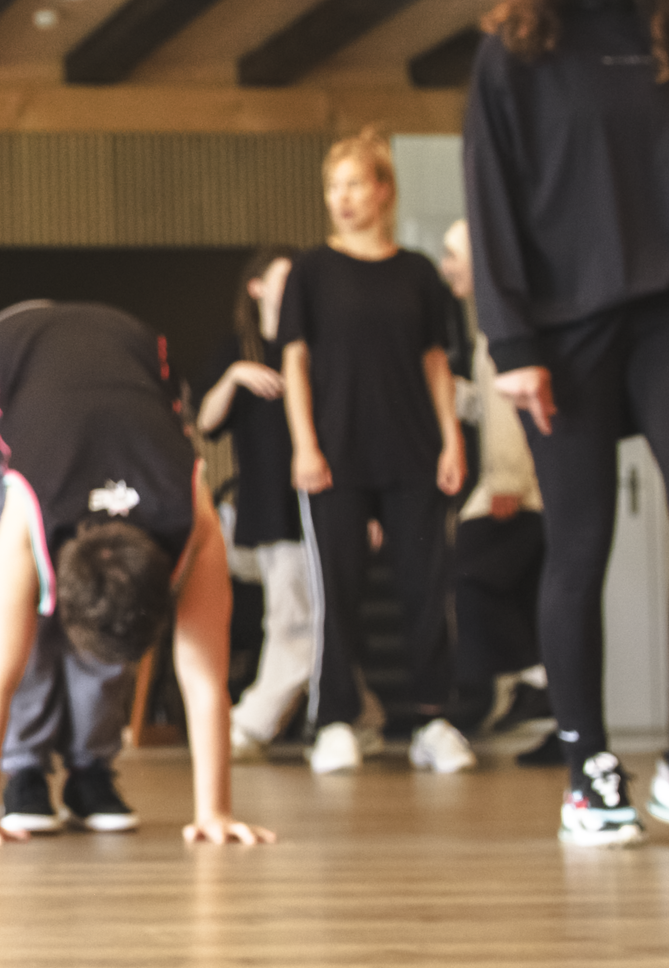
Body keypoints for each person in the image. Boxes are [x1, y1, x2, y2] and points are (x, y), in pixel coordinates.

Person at [464, 0, 669, 847]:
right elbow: (492, 207)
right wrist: (511, 339)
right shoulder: (514, 50)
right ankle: (588, 769)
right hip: (562, 330)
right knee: (579, 542)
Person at [0, 302, 272, 848]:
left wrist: (216, 812)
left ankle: (90, 771)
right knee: (13, 604)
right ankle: (25, 772)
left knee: (115, 613)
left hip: (133, 357)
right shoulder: (28, 513)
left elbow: (206, 679)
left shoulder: (193, 517)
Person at [279, 129, 475, 776]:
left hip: (414, 450)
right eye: (333, 187)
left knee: (426, 587)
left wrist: (451, 438)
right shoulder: (311, 271)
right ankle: (336, 719)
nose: (343, 198)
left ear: (384, 189)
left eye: (355, 184)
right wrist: (305, 444)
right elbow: (295, 361)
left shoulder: (418, 272)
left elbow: (435, 361)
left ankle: (432, 720)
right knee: (338, 589)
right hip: (334, 454)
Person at [439, 220, 560, 761]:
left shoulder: (501, 329)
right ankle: (548, 702)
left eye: (453, 256)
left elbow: (513, 412)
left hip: (516, 490)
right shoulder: (489, 328)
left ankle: (532, 681)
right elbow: (490, 406)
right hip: (526, 488)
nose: (446, 268)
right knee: (534, 595)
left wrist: (509, 479)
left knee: (468, 572)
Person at [196, 247, 307, 757]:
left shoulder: (308, 346)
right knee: (295, 613)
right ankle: (352, 713)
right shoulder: (238, 348)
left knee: (300, 613)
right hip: (265, 503)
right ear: (256, 286)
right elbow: (207, 423)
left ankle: (257, 721)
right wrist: (236, 375)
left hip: (310, 500)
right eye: (282, 278)